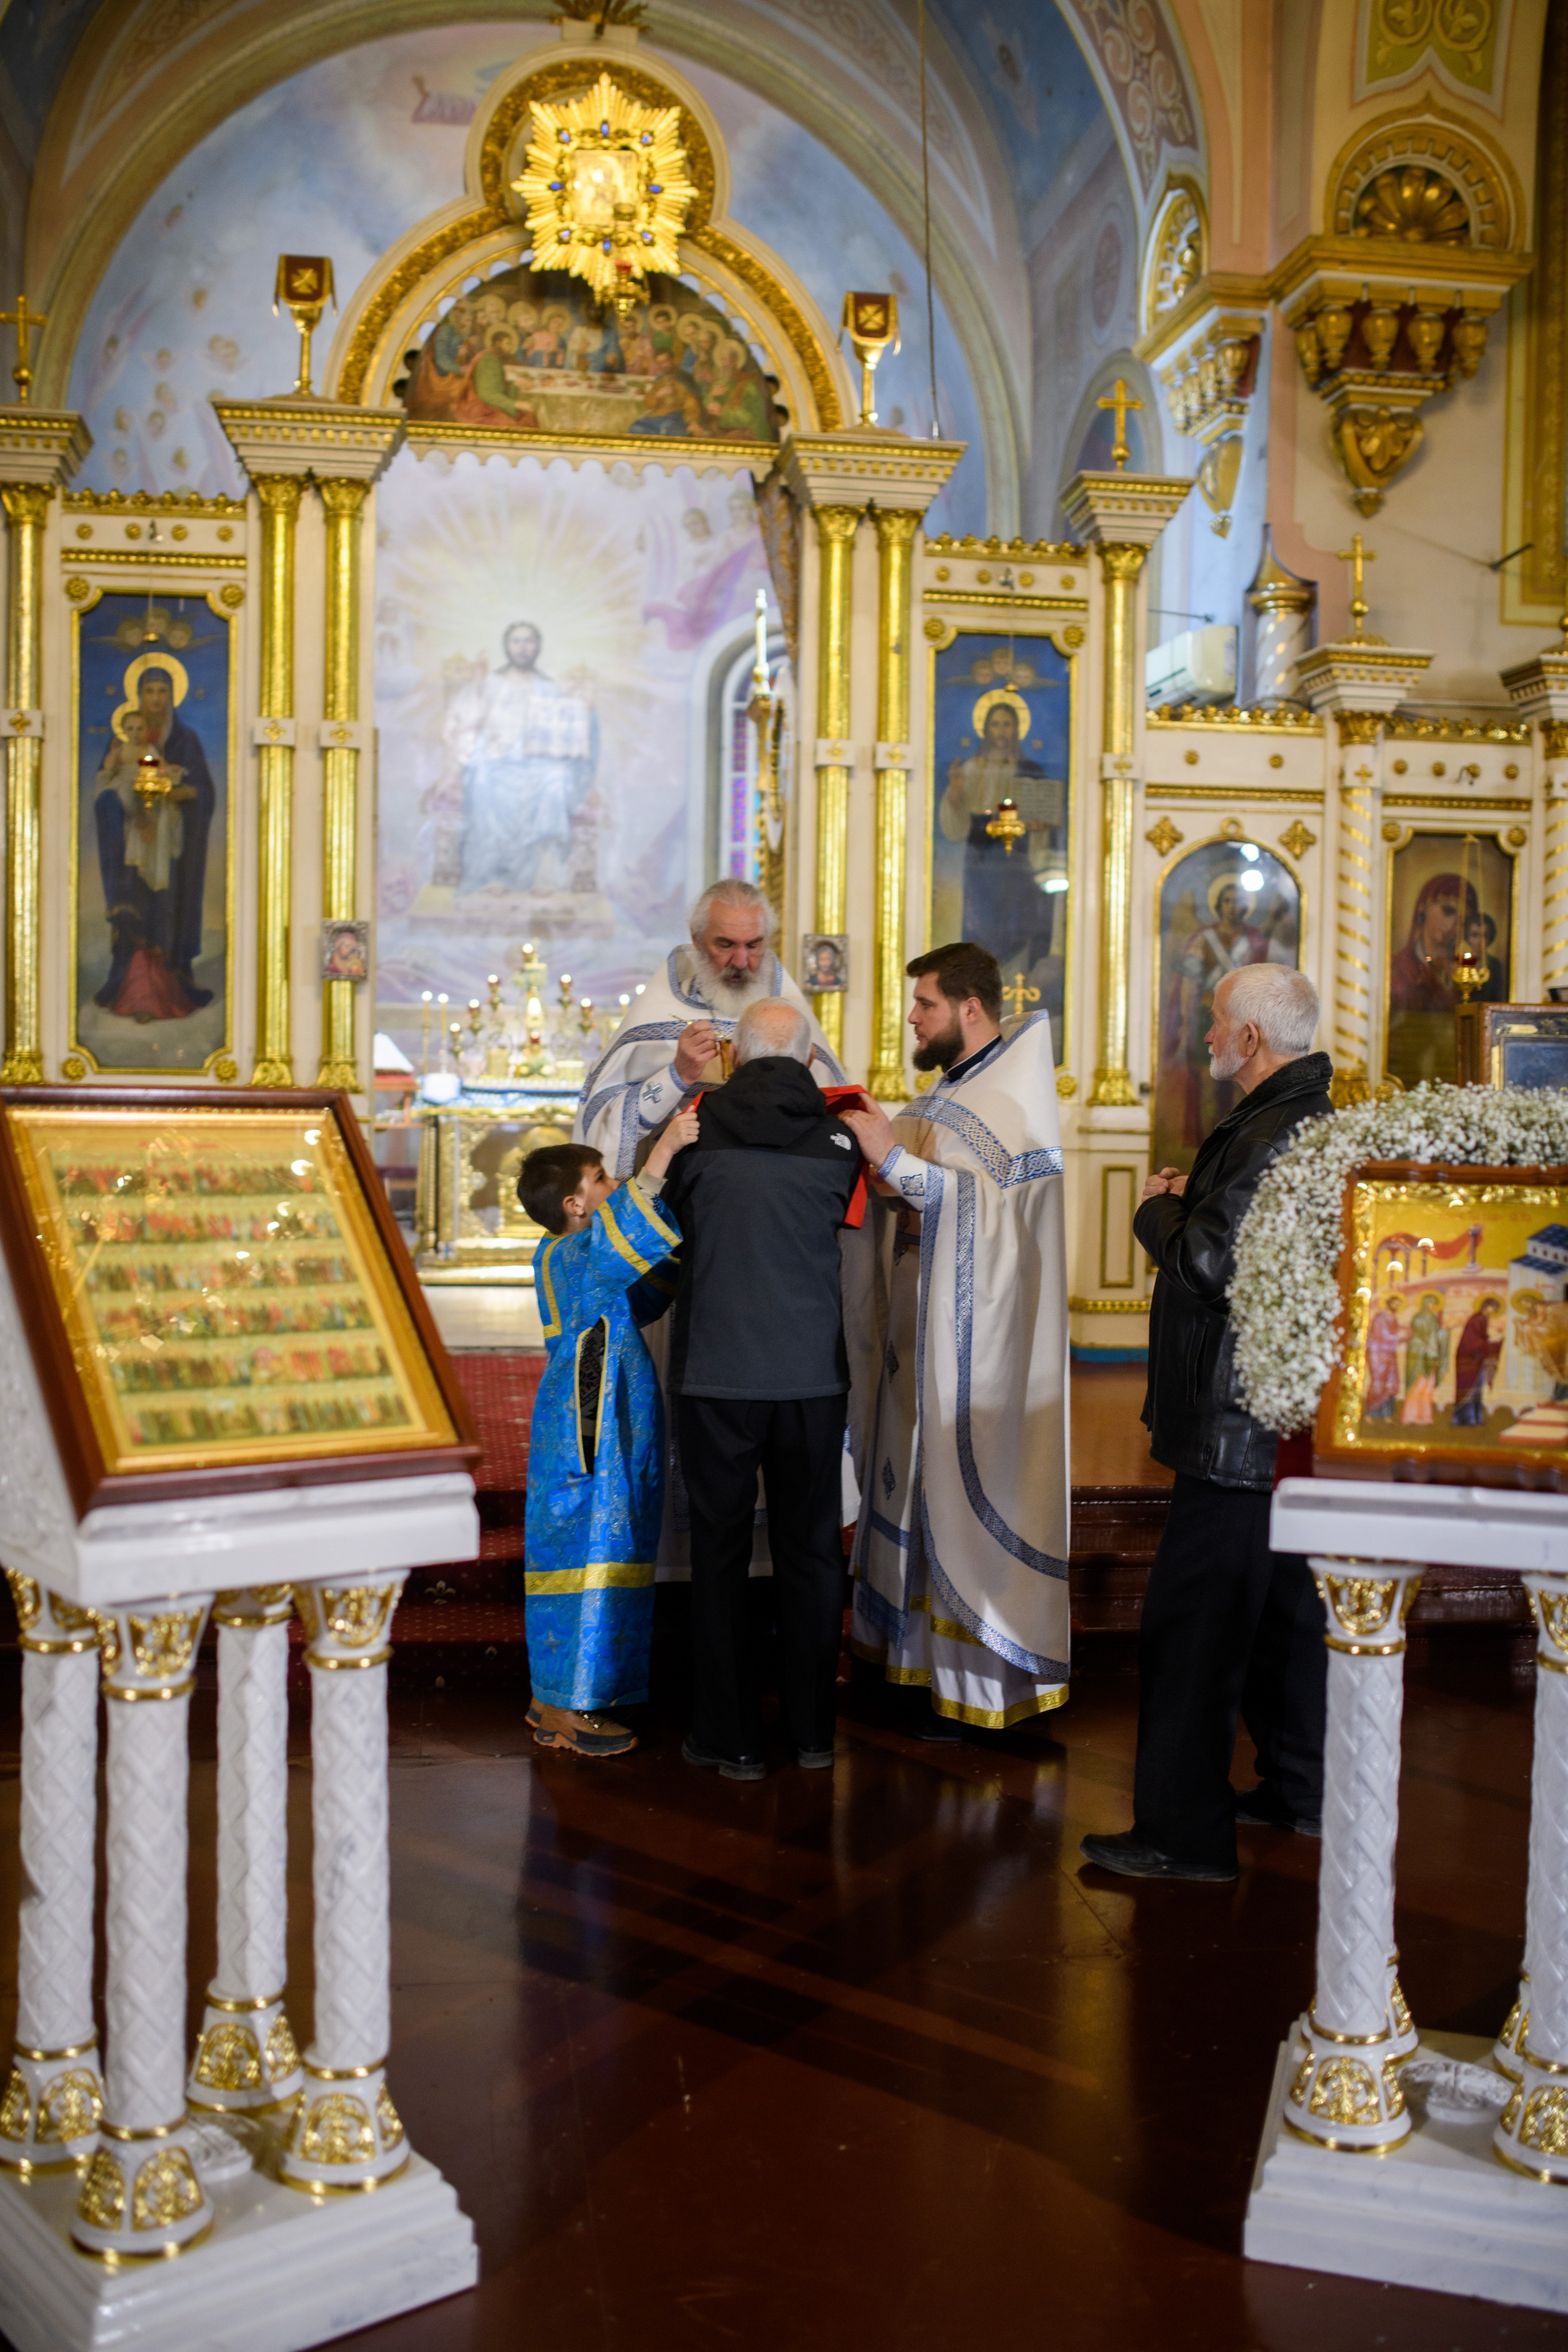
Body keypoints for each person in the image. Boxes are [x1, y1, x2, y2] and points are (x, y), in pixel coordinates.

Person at [1080, 963, 1333, 1883]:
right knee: (1280, 1622)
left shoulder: (1274, 1127)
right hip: (1268, 1420)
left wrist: (1157, 1209)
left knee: (1194, 1633)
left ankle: (1181, 1836)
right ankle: (1300, 1791)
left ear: (1253, 1040)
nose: (1209, 1034)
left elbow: (1208, 1264)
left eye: (1219, 1021)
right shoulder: (1295, 1117)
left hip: (1234, 1430)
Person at [839, 942, 1071, 1733]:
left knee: (951, 1487)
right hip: (918, 1343)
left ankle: (971, 1678)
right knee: (907, 1479)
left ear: (970, 1009)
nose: (912, 1017)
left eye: (925, 1004)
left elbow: (995, 1223)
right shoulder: (956, 1088)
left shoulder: (1011, 1100)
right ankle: (907, 1661)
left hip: (975, 1351)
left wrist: (894, 1161)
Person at [658, 999, 865, 1780]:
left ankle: (729, 1736)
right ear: (811, 1061)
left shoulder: (696, 1130)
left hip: (716, 1371)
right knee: (811, 1552)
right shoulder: (842, 1136)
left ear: (734, 1060)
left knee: (716, 1554)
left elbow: (662, 1225)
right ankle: (813, 1733)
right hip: (812, 1376)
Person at [517, 1107, 698, 1757]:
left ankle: (553, 1697)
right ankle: (571, 1708)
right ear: (574, 1204)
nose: (614, 1181)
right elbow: (617, 1249)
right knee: (588, 1553)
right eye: (600, 1178)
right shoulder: (573, 1253)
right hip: (588, 1428)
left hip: (603, 1417)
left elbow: (643, 1288)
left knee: (602, 1548)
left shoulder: (574, 1255)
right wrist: (664, 1153)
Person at [575, 880, 845, 1177]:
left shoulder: (791, 1020)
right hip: (677, 1195)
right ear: (697, 939)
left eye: (754, 945)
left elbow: (833, 1120)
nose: (741, 961)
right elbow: (605, 1121)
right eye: (726, 945)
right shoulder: (656, 1018)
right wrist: (676, 1076)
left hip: (775, 1186)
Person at [93, 666, 216, 1015]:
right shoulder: (122, 741)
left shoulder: (185, 741)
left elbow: (205, 792)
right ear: (139, 696)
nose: (157, 698)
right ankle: (130, 989)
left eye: (163, 690)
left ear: (172, 695)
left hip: (170, 846)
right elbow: (105, 788)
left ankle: (172, 985)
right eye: (150, 691)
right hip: (133, 844)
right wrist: (124, 808)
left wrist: (186, 794)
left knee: (167, 906)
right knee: (135, 907)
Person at [442, 621, 596, 895]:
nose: (523, 648)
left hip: (539, 764)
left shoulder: (549, 688)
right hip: (496, 761)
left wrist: (585, 710)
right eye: (516, 641)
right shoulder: (490, 683)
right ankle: (493, 875)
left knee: (557, 781)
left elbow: (567, 732)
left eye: (529, 641)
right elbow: (464, 722)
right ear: (507, 646)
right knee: (485, 783)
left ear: (538, 647)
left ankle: (543, 876)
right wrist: (478, 686)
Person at [1453, 1296, 1504, 1427]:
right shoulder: (1477, 1319)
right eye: (1493, 1308)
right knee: (1468, 1388)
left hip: (1476, 1359)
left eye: (1496, 1309)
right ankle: (1466, 1419)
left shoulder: (1483, 1319)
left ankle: (1474, 1418)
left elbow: (1482, 1338)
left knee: (1476, 1389)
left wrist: (1493, 1340)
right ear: (1486, 1306)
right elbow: (1472, 1342)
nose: (1494, 1311)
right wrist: (1492, 1342)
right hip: (1468, 1359)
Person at [1401, 1292, 1449, 1424]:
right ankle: (1410, 1416)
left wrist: (1444, 1334)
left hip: (1431, 1356)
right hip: (1419, 1357)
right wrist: (1425, 1347)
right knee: (1417, 1386)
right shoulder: (1418, 1319)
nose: (1432, 1305)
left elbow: (1435, 1337)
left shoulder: (1433, 1320)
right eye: (1430, 1302)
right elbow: (1416, 1339)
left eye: (1434, 1303)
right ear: (1424, 1303)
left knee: (1428, 1388)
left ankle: (1424, 1417)